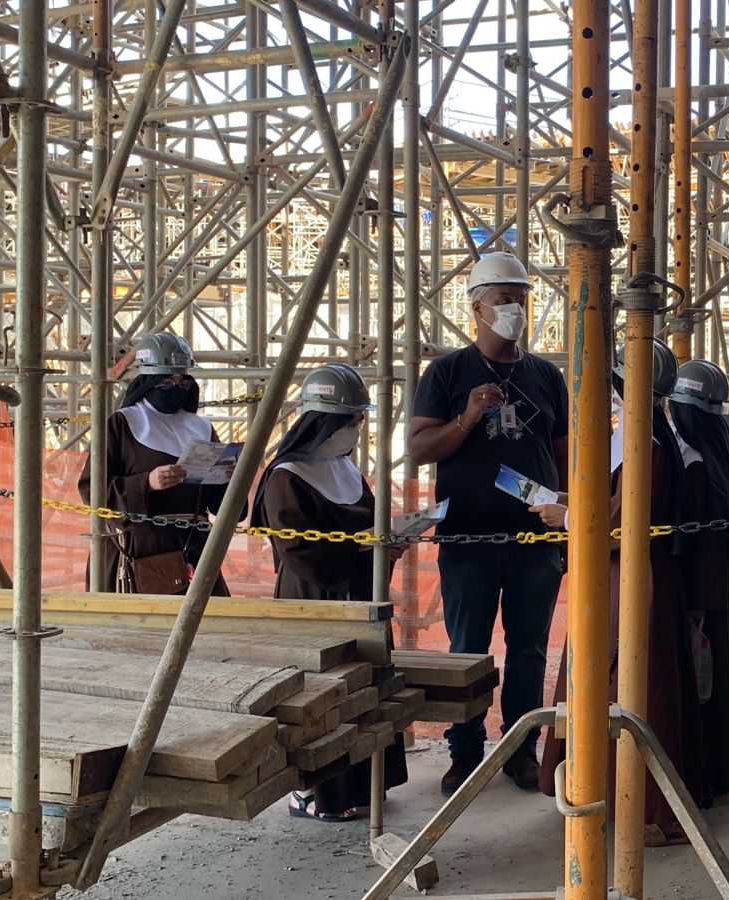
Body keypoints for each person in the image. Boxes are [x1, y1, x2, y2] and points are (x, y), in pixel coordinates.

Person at [408, 251, 570, 796]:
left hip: (535, 539)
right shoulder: (448, 373)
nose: (515, 309)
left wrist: (570, 507)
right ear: (476, 307)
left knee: (528, 649)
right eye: (504, 300)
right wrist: (468, 417)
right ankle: (465, 753)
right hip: (470, 539)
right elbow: (419, 447)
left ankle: (520, 749)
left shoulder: (546, 375)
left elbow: (564, 452)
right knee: (468, 648)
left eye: (521, 299)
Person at [536, 339, 708, 847]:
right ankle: (616, 792)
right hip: (625, 575)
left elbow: (624, 514)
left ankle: (648, 807)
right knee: (618, 681)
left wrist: (566, 516)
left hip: (633, 580)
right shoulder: (643, 437)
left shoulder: (645, 443)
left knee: (632, 684)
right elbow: (614, 499)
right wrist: (570, 503)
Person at [252, 364, 410, 820]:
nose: (356, 430)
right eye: (350, 421)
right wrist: (368, 552)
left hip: (359, 596)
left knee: (368, 692)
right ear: (323, 422)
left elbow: (369, 521)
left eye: (359, 420)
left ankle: (367, 785)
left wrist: (389, 542)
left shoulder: (345, 468)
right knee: (324, 701)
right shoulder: (287, 476)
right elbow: (302, 553)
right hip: (313, 601)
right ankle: (317, 794)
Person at [669, 359, 729, 798]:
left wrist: (692, 602)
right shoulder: (724, 452)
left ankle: (705, 773)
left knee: (703, 684)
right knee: (722, 680)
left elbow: (696, 538)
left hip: (703, 593)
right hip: (727, 588)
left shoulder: (692, 462)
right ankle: (722, 770)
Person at [79, 332, 238, 595]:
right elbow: (92, 489)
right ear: (148, 381)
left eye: (182, 380)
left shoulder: (201, 427)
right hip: (139, 552)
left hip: (193, 548)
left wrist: (228, 477)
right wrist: (147, 483)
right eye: (166, 380)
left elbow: (216, 501)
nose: (175, 386)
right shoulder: (123, 423)